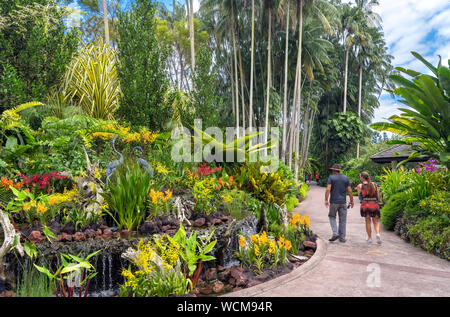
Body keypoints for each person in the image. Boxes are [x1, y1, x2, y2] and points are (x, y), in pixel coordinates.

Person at [325, 164, 354, 243]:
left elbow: (328, 189)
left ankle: (335, 233)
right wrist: (351, 201)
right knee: (343, 220)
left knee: (332, 216)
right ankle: (342, 238)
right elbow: (350, 191)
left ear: (334, 170)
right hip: (343, 202)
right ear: (339, 170)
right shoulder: (345, 178)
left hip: (334, 202)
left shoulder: (331, 177)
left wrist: (326, 200)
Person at [357, 172, 382, 244]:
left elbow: (360, 197)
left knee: (368, 221)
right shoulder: (374, 184)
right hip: (374, 204)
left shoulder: (360, 186)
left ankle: (369, 238)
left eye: (360, 176)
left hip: (365, 205)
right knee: (376, 221)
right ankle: (377, 234)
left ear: (362, 177)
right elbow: (378, 195)